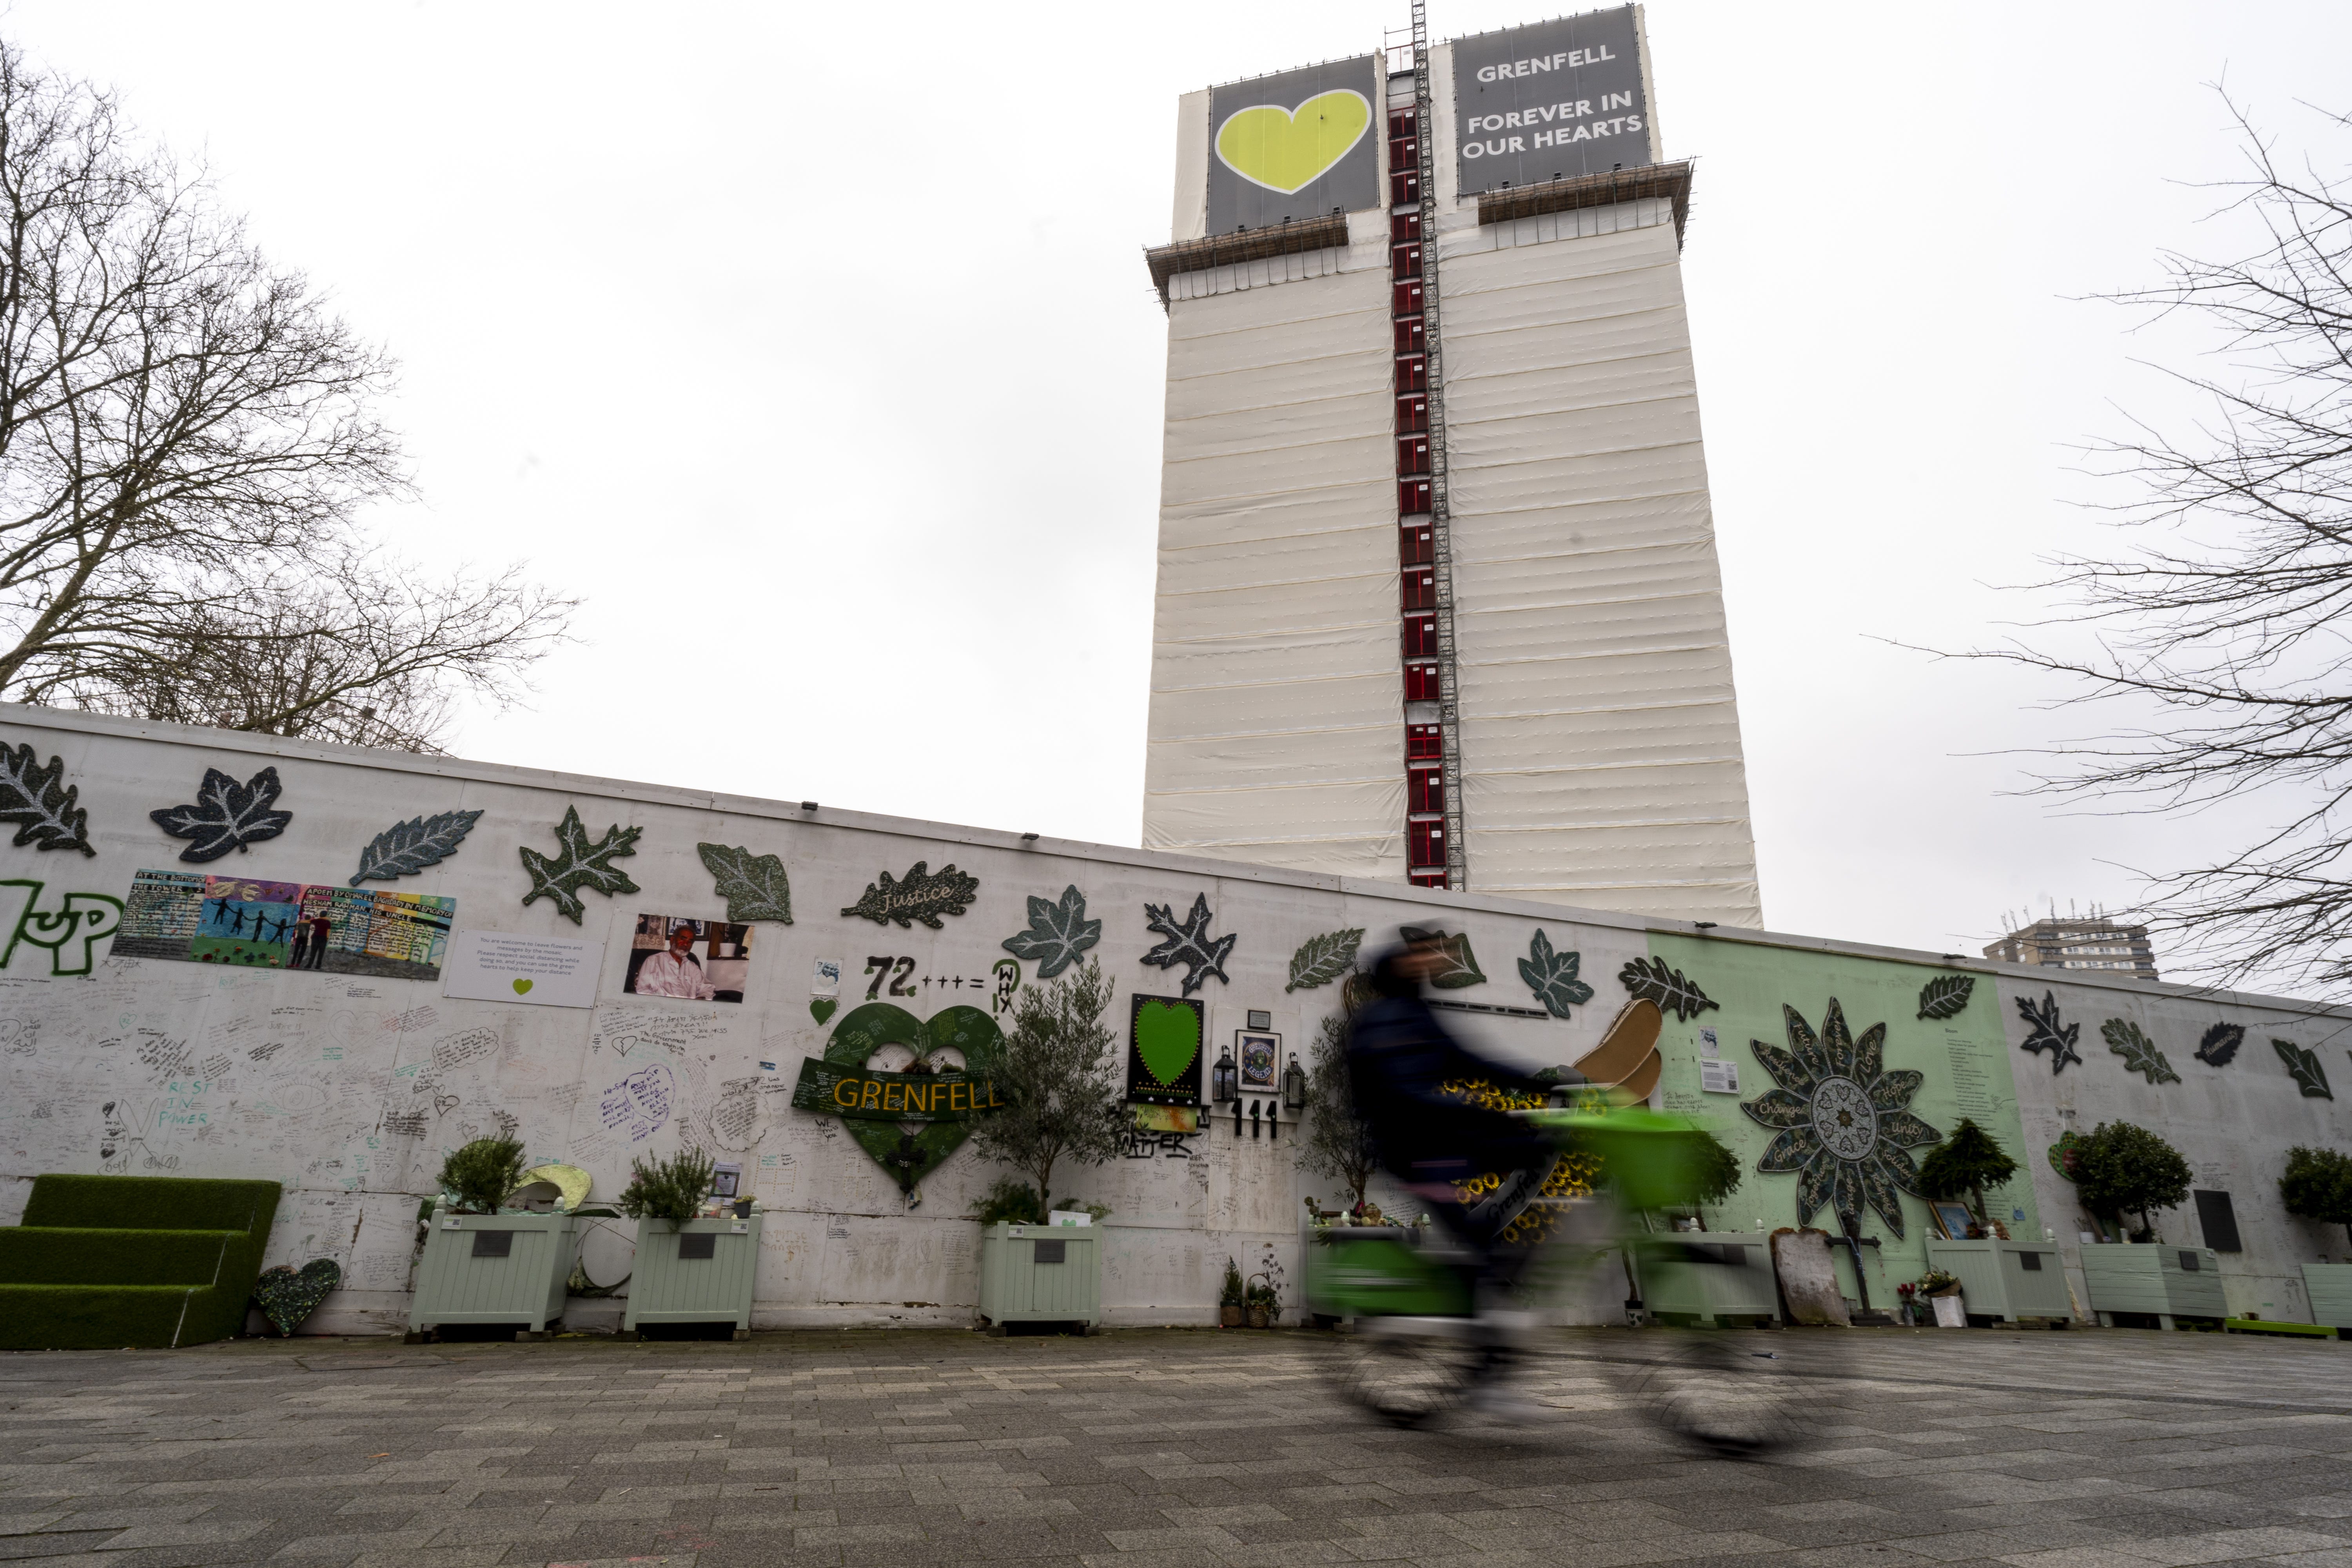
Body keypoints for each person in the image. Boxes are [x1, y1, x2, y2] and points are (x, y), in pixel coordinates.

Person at [1345, 935, 1567, 1417]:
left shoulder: (1423, 1018)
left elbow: (1476, 1064)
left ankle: (1501, 1265)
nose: (1426, 961)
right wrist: (1484, 1112)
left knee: (1540, 1146)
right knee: (1482, 1243)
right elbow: (1402, 1096)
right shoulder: (1380, 1022)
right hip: (1416, 1152)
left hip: (1449, 1142)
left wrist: (1546, 1083)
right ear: (1393, 969)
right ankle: (1488, 1375)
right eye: (1415, 956)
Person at [632, 923, 715, 1000]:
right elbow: (643, 989)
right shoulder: (654, 961)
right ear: (672, 940)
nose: (686, 944)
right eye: (683, 939)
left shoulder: (693, 967)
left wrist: (702, 998)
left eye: (690, 942)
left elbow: (708, 987)